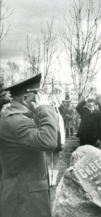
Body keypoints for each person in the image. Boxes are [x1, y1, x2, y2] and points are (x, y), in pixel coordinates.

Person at [0, 73, 57, 217]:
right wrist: (44, 108)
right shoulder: (18, 122)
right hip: (25, 200)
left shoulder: (14, 118)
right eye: (38, 95)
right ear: (25, 99)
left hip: (21, 194)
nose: (42, 99)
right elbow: (49, 141)